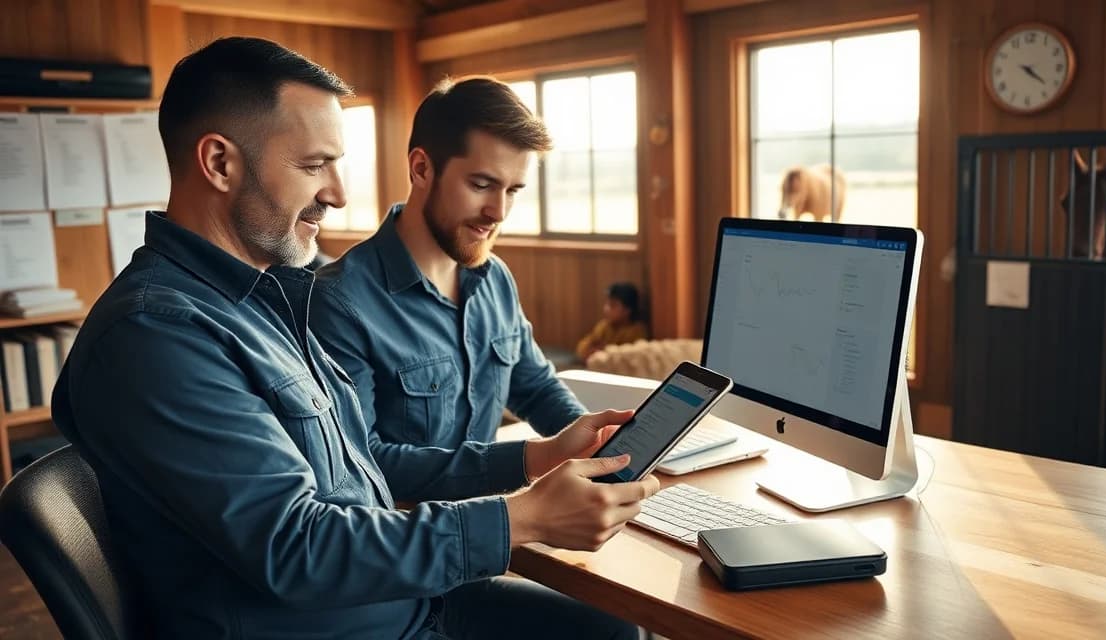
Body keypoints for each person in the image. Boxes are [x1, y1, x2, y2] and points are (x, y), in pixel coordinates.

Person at [51, 37, 656, 640]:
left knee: (610, 631)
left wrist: (534, 459)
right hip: (337, 627)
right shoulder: (156, 334)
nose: (338, 194)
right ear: (219, 163)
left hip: (401, 600)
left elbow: (366, 468)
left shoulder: (267, 298)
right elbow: (294, 547)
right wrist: (516, 520)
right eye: (315, 165)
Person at [310, 77, 588, 457]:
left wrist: (603, 446)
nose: (499, 212)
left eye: (512, 191)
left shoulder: (495, 278)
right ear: (422, 168)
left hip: (500, 508)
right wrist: (526, 461)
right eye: (482, 184)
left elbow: (536, 388)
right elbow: (363, 459)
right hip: (410, 517)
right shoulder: (339, 301)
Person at [576, 282, 649, 361]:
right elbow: (582, 349)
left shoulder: (637, 331)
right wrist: (589, 349)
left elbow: (630, 357)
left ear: (627, 310)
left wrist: (604, 351)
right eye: (606, 304)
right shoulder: (604, 326)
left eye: (612, 305)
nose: (606, 309)